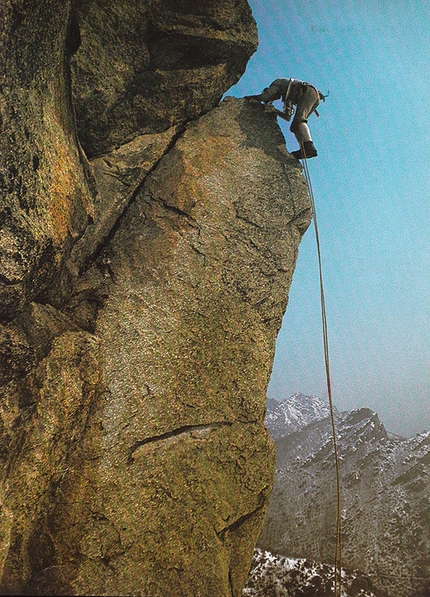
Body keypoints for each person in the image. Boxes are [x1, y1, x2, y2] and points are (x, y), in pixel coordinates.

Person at [245, 78, 324, 160]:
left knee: (300, 119)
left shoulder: (278, 83)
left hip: (308, 91)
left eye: (271, 98)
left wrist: (251, 98)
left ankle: (309, 146)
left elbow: (264, 96)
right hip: (312, 96)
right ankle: (304, 148)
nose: (273, 99)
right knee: (295, 125)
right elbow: (287, 117)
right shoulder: (287, 98)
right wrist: (275, 111)